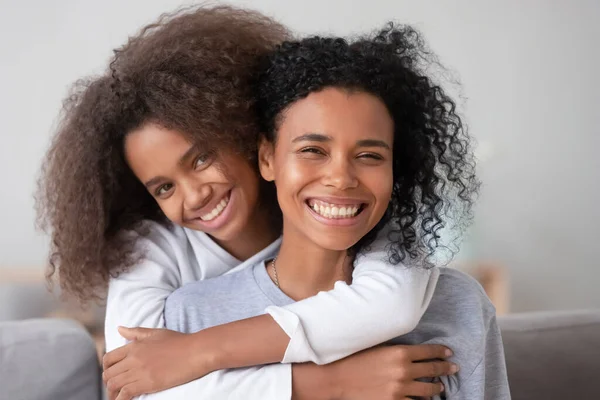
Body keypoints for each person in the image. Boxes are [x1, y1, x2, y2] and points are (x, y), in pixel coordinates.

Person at [37, 6, 456, 400]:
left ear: (246, 137)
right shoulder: (152, 252)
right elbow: (142, 385)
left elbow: (391, 305)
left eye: (202, 159)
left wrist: (199, 353)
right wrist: (330, 382)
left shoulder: (337, 212)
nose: (196, 193)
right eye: (164, 188)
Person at [164, 26, 509, 399]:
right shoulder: (195, 313)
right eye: (313, 150)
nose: (341, 178)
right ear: (268, 158)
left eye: (370, 156)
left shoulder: (455, 306)